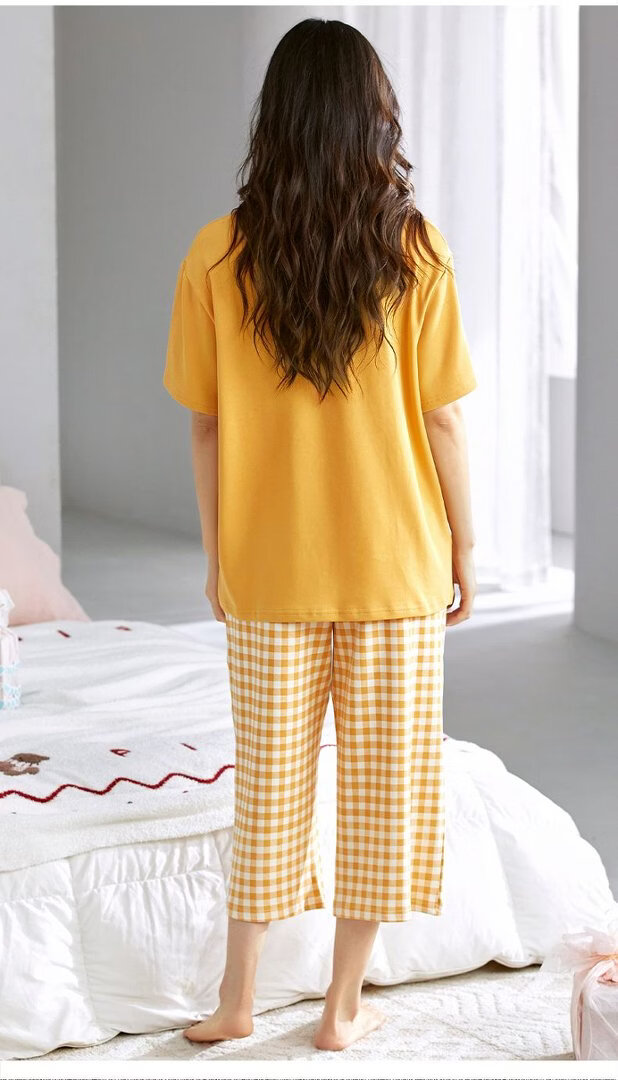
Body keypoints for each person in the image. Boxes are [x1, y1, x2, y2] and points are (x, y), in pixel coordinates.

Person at [163, 17, 477, 1053]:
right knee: (387, 792)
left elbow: (207, 425)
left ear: (279, 119)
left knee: (268, 788)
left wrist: (221, 558)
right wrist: (465, 549)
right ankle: (341, 1009)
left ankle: (238, 1001)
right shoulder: (415, 248)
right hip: (396, 566)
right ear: (372, 117)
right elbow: (442, 419)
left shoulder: (217, 252)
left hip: (270, 571)